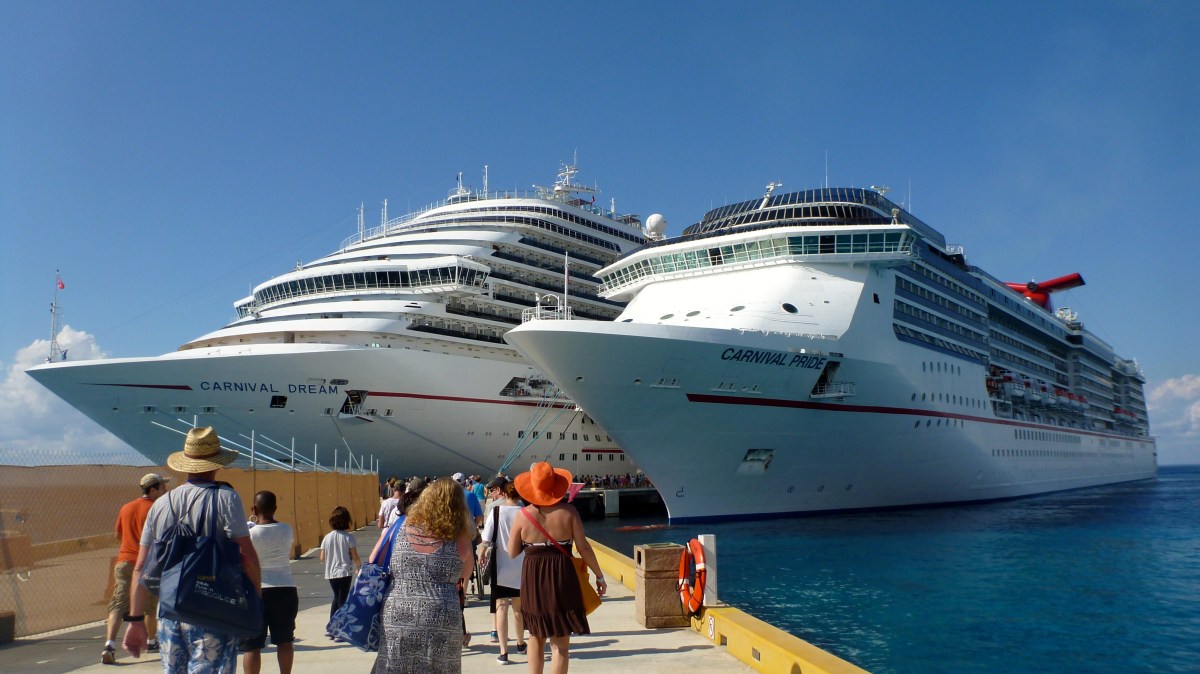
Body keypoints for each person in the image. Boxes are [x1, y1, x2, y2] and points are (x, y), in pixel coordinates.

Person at [122, 426, 262, 673]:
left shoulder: (160, 504)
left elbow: (142, 566)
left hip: (169, 610)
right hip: (213, 608)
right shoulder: (226, 498)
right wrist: (255, 601)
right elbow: (246, 556)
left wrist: (135, 619)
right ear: (217, 464)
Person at [506, 462, 605, 674]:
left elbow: (512, 552)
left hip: (533, 576)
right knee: (561, 642)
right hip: (562, 575)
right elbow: (584, 548)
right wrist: (599, 576)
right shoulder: (569, 512)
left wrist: (530, 543)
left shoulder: (523, 515)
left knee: (536, 635)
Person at [371, 477, 474, 674]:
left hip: (398, 612)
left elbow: (374, 559)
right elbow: (465, 573)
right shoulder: (460, 536)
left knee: (395, 667)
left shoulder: (400, 526)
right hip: (442, 613)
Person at [101, 472, 171, 665]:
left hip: (124, 562)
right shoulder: (157, 508)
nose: (165, 490)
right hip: (148, 564)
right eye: (162, 487)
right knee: (150, 606)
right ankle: (151, 641)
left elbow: (118, 534)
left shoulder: (126, 507)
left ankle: (109, 645)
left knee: (118, 604)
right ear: (153, 490)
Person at [241, 491, 298, 674]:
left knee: (252, 645)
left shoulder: (250, 534)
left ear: (253, 509)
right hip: (285, 588)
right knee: (285, 640)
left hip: (257, 589)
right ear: (275, 508)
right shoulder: (287, 529)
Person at [478, 476, 527, 664]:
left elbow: (486, 539)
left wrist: (482, 554)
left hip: (501, 565)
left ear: (504, 494)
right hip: (521, 565)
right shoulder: (525, 512)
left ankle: (503, 652)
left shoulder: (496, 511)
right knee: (518, 609)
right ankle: (521, 643)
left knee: (501, 607)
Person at [320, 506, 360, 625]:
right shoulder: (349, 537)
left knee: (336, 596)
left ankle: (332, 623)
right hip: (344, 571)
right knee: (343, 598)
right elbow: (355, 556)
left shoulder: (327, 537)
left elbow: (322, 557)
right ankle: (340, 625)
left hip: (331, 572)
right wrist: (359, 567)